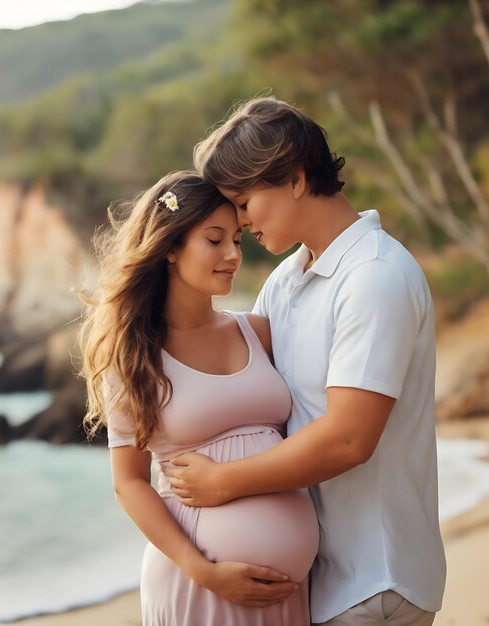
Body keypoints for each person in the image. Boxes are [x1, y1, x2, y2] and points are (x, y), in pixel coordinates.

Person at [166, 98, 447, 626]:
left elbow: (348, 439)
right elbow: (234, 370)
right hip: (321, 579)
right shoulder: (287, 280)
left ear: (295, 178)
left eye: (245, 203)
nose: (241, 224)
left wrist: (224, 482)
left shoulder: (375, 276)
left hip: (374, 578)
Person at [79, 170, 319, 626]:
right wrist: (204, 572)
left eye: (236, 240)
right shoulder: (133, 358)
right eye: (214, 240)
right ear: (170, 247)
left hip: (287, 594)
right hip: (197, 586)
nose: (232, 255)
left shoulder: (258, 331)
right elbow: (129, 483)